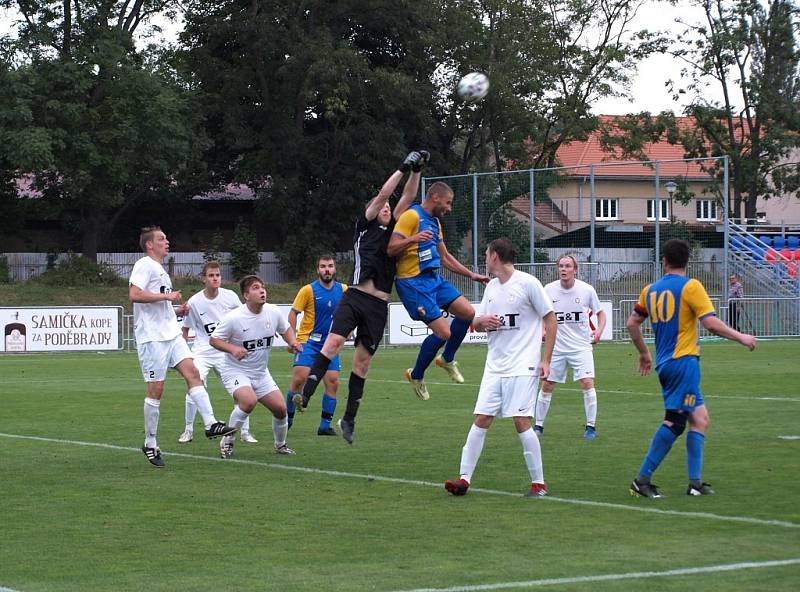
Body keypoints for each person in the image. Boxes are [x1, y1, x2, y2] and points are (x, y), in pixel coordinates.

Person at [293, 150, 429, 444]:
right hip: (355, 297)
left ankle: (349, 419)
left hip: (378, 305)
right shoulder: (364, 226)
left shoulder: (394, 229)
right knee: (334, 342)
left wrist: (418, 170)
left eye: (388, 208)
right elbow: (384, 193)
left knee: (362, 364)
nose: (387, 208)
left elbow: (406, 197)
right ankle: (305, 396)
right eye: (382, 207)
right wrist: (402, 167)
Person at [627, 239, 756, 498]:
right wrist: (741, 337)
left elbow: (632, 323)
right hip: (683, 363)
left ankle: (695, 484)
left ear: (664, 260)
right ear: (688, 261)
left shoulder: (649, 290)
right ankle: (642, 480)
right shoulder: (691, 286)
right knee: (675, 422)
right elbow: (710, 324)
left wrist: (644, 353)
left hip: (667, 364)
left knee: (700, 419)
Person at [444, 238, 557, 497]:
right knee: (481, 418)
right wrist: (483, 322)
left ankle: (538, 484)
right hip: (494, 366)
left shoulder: (528, 283)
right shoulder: (492, 287)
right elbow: (479, 324)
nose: (484, 257)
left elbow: (551, 321)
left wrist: (546, 360)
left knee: (520, 420)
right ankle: (464, 479)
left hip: (522, 364)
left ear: (495, 256)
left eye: (486, 253)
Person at [129, 226, 237, 468]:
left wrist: (175, 310)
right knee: (156, 390)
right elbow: (135, 295)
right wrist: (167, 298)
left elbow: (155, 303)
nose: (167, 241)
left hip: (171, 334)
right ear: (149, 245)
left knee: (193, 373)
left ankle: (210, 424)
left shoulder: (160, 270)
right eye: (161, 239)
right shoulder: (144, 264)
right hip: (152, 338)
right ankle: (150, 442)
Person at [387, 181, 490, 400]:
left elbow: (444, 257)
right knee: (444, 332)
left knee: (468, 313)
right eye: (448, 202)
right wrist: (413, 238)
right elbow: (391, 248)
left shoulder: (434, 222)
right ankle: (416, 375)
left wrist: (472, 275)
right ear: (434, 196)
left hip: (434, 279)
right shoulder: (411, 216)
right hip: (413, 283)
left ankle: (447, 359)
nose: (449, 208)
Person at [209, 275, 303, 458]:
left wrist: (293, 342)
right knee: (248, 401)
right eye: (255, 288)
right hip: (235, 370)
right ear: (246, 295)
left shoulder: (273, 312)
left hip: (260, 372)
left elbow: (285, 330)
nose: (262, 291)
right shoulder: (234, 317)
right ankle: (227, 441)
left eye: (262, 287)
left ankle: (280, 445)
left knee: (281, 409)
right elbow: (214, 340)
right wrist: (233, 348)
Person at [177, 261, 258, 444]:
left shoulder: (230, 297)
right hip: (202, 352)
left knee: (241, 391)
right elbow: (185, 330)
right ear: (203, 279)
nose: (215, 278)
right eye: (211, 275)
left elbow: (243, 320)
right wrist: (184, 356)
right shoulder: (195, 302)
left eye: (218, 275)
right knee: (193, 387)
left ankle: (245, 432)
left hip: (225, 352)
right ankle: (188, 430)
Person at [535, 255, 606, 440]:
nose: (563, 269)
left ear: (576, 269)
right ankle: (538, 426)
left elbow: (601, 313)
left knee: (587, 383)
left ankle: (591, 427)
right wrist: (543, 329)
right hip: (556, 347)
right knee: (547, 384)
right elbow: (541, 314)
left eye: (567, 266)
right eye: (561, 266)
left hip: (580, 347)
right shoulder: (548, 290)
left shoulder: (586, 290)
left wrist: (599, 330)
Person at [285, 254, 347, 435]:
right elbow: (293, 313)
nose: (327, 269)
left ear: (335, 269)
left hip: (331, 344)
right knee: (299, 380)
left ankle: (324, 426)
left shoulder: (344, 290)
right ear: (317, 270)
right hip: (309, 342)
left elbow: (350, 312)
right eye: (323, 266)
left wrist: (348, 329)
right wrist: (292, 339)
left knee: (333, 382)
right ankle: (287, 420)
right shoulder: (307, 290)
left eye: (330, 266)